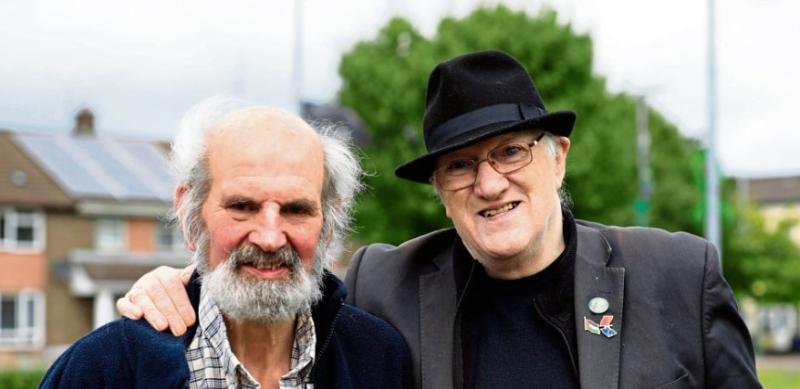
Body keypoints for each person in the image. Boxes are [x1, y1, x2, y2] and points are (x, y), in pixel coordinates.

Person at [116, 51, 761, 388]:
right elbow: (266, 278)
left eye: (511, 151)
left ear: (558, 159)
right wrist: (178, 281)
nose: (489, 182)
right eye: (459, 165)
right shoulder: (383, 284)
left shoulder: (677, 274)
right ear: (440, 191)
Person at [41, 98, 411, 389]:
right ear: (190, 214)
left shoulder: (378, 358)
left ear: (328, 225)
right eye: (242, 207)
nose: (269, 238)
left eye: (296, 210)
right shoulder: (104, 370)